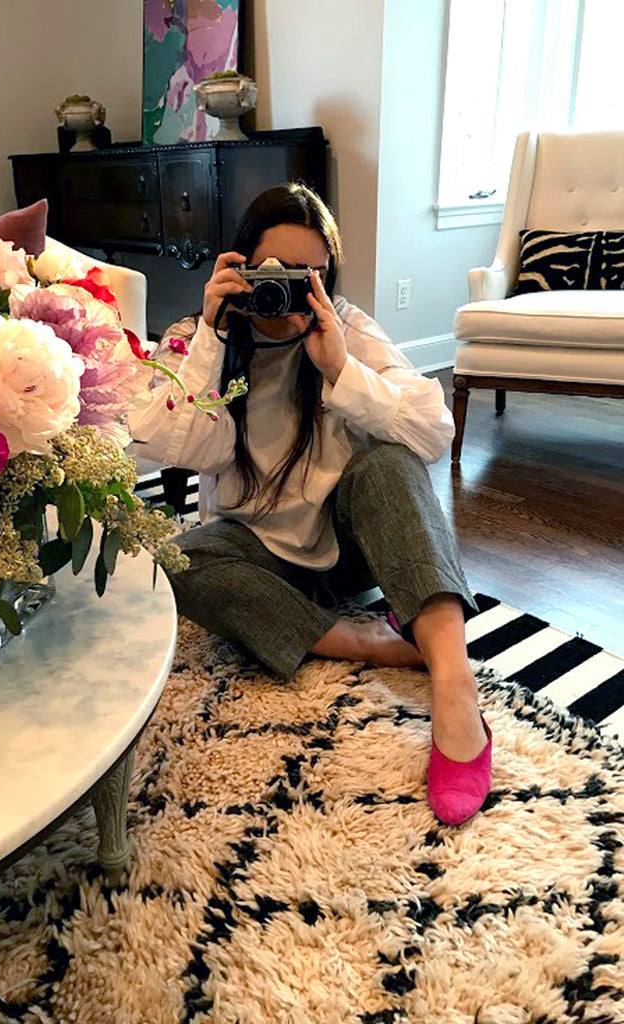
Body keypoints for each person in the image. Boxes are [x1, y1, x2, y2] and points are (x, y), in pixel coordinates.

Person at [128, 183, 491, 826]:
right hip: (256, 549)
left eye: (309, 276)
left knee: (389, 461)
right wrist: (212, 334)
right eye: (276, 273)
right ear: (240, 266)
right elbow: (161, 437)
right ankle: (371, 642)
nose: (289, 293)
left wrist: (341, 370)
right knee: (171, 563)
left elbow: (437, 430)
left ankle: (453, 679)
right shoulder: (201, 338)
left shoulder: (344, 327)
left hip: (348, 549)